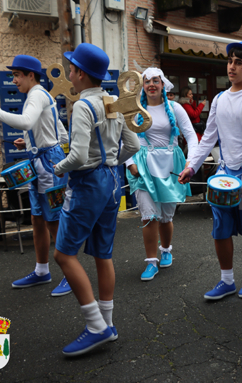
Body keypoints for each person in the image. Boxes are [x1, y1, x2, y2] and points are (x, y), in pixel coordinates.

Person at [52, 43, 140, 356]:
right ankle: (107, 323)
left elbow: (75, 156)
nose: (70, 74)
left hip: (87, 184)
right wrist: (111, 162)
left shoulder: (81, 108)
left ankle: (96, 326)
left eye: (72, 69)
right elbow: (133, 145)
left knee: (64, 255)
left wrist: (58, 167)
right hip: (111, 182)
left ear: (80, 74)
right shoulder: (112, 102)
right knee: (103, 253)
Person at [178, 41, 242, 301]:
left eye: (239, 62)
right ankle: (226, 280)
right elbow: (208, 138)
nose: (232, 66)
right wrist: (191, 166)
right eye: (230, 61)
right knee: (220, 229)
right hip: (225, 175)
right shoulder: (219, 98)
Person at [0, 55, 72, 296]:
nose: (14, 80)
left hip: (47, 165)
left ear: (31, 75)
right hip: (41, 160)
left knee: (53, 219)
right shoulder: (42, 95)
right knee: (38, 218)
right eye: (13, 75)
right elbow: (60, 134)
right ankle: (42, 271)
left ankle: (70, 275)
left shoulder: (37, 95)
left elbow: (26, 121)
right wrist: (31, 144)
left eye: (17, 75)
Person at [126, 68, 197, 281]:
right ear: (142, 86)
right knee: (149, 216)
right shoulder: (135, 110)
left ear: (163, 84)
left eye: (155, 81)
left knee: (166, 217)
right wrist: (129, 164)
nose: (151, 85)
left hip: (169, 166)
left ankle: (166, 249)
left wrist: (190, 162)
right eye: (147, 81)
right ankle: (151, 262)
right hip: (143, 166)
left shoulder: (175, 108)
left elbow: (192, 137)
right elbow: (124, 139)